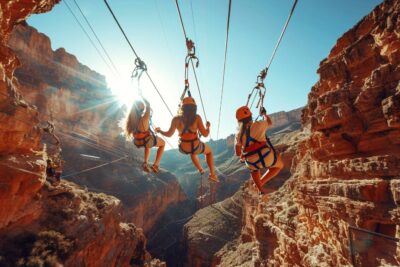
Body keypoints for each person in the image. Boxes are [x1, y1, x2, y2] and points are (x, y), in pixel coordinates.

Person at [156, 97, 219, 182]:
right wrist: (208, 127)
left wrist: (160, 131)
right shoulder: (197, 118)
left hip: (183, 148)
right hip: (195, 146)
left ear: (182, 107)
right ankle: (212, 175)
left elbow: (169, 134)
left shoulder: (176, 119)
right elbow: (205, 134)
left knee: (192, 153)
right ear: (194, 108)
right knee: (209, 152)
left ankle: (200, 170)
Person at [234, 106, 284, 196]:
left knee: (253, 170)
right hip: (266, 156)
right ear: (250, 116)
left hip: (251, 162)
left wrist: (244, 150)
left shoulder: (238, 135)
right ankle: (261, 182)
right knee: (279, 166)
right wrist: (264, 114)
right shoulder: (258, 124)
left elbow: (238, 153)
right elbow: (269, 122)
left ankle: (260, 190)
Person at [125, 98, 165, 173]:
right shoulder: (144, 119)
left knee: (148, 142)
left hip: (137, 142)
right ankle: (156, 164)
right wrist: (142, 96)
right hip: (146, 141)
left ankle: (145, 162)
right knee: (162, 143)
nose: (144, 111)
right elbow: (148, 105)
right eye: (143, 109)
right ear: (141, 110)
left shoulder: (131, 120)